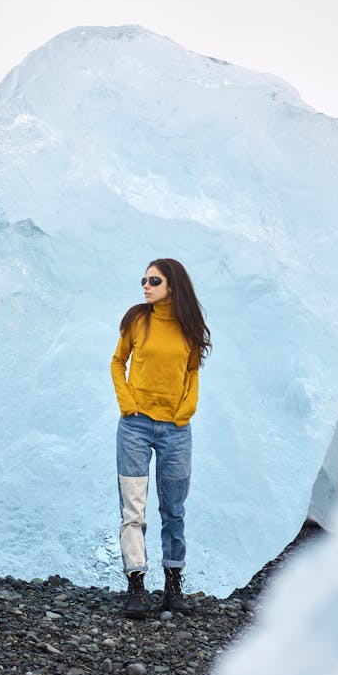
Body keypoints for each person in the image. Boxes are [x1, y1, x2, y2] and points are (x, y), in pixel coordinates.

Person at [110, 258, 211, 618]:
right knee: (133, 509)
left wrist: (186, 410)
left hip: (176, 431)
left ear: (173, 285)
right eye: (144, 279)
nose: (146, 285)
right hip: (135, 427)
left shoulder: (189, 328)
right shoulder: (137, 320)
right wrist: (127, 403)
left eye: (154, 280)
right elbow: (117, 362)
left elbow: (192, 371)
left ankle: (172, 585)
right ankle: (136, 585)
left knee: (174, 509)